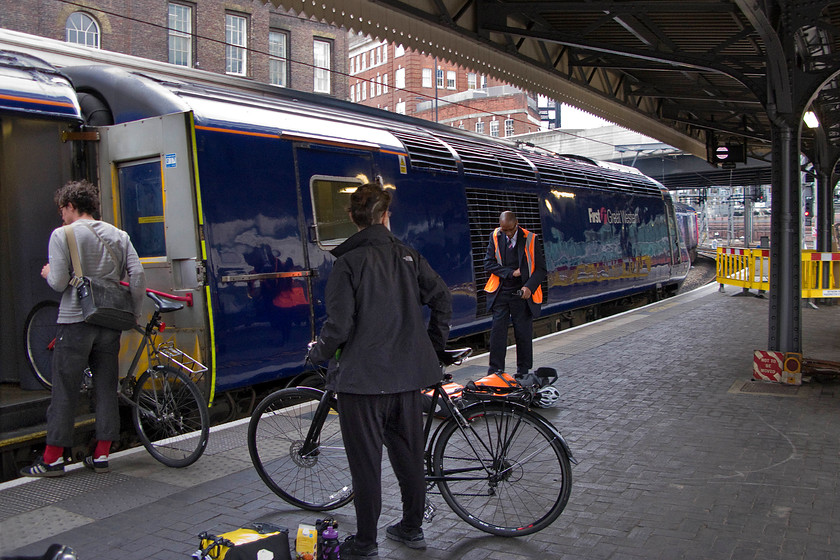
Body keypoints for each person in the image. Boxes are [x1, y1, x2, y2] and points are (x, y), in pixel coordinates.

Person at [307, 182, 452, 559]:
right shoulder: (408, 255)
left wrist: (317, 352)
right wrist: (431, 350)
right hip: (408, 380)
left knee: (365, 464)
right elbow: (442, 299)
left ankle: (366, 543)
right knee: (408, 457)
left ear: (353, 220)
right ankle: (411, 529)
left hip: (362, 384)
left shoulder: (347, 263)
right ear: (385, 216)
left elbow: (338, 327)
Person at [21, 180, 145, 477]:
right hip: (109, 322)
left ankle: (52, 460)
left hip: (76, 321)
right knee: (106, 388)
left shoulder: (62, 235)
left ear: (71, 206)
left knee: (64, 390)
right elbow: (138, 276)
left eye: (62, 209)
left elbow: (60, 283)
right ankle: (101, 455)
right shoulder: (119, 235)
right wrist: (134, 314)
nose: (61, 216)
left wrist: (50, 272)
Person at [483, 211, 547, 377]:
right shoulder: (496, 236)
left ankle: (523, 372)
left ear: (516, 224)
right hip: (501, 293)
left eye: (510, 230)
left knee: (523, 333)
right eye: (504, 230)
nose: (508, 234)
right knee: (498, 333)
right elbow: (488, 263)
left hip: (522, 294)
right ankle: (495, 371)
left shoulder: (531, 239)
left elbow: (540, 269)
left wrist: (529, 287)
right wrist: (510, 273)